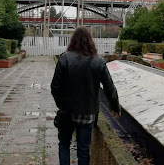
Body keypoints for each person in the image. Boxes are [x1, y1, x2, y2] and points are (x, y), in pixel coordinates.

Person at [51, 26, 121, 165]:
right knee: (83, 150)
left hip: (67, 112)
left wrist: (62, 104)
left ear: (73, 40)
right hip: (87, 112)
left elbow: (55, 87)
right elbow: (109, 87)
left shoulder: (64, 58)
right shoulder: (99, 61)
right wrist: (115, 107)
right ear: (90, 41)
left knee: (64, 145)